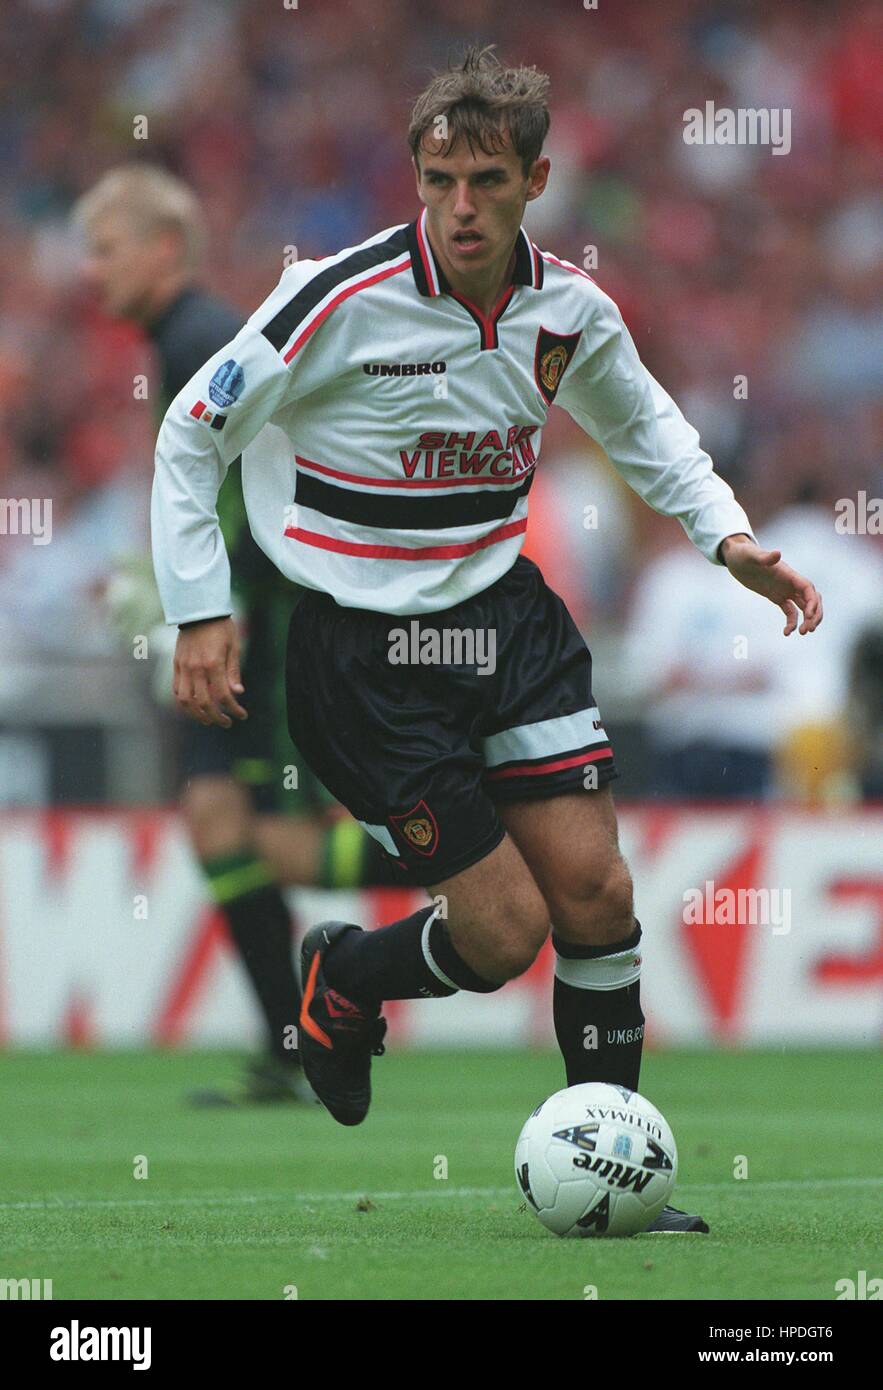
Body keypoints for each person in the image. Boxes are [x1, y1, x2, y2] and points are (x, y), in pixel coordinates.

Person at [150, 48, 822, 1230]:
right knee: (502, 932)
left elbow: (648, 426)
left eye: (487, 180)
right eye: (440, 178)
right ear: (417, 177)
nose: (461, 206)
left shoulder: (569, 309)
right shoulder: (334, 297)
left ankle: (613, 1170)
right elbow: (190, 433)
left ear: (536, 180)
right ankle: (344, 976)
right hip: (366, 651)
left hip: (505, 623)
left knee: (598, 894)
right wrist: (200, 607)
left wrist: (728, 539)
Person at [76, 166, 409, 1106]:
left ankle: (474, 855)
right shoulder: (177, 338)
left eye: (105, 249)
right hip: (247, 614)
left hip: (265, 622)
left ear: (163, 250)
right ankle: (286, 1048)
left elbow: (262, 483)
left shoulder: (198, 340)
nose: (89, 272)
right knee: (216, 821)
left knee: (277, 841)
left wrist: (203, 606)